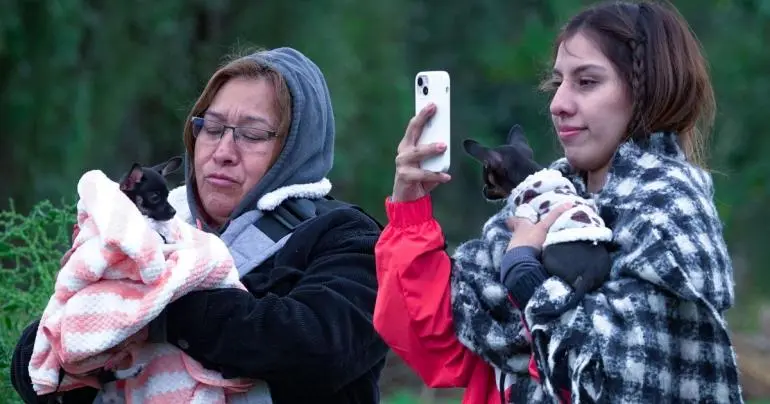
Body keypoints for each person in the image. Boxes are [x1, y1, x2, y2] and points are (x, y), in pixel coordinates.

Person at [373, 1, 743, 403]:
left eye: (586, 82)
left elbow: (618, 382)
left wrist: (526, 277)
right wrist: (409, 210)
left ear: (647, 92)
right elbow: (442, 345)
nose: (558, 104)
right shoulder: (541, 200)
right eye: (558, 84)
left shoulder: (667, 212)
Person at [11, 46, 389, 403]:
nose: (222, 153)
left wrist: (149, 306)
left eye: (252, 134)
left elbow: (315, 350)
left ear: (296, 149)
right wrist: (89, 330)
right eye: (211, 127)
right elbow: (35, 367)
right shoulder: (135, 231)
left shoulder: (349, 237)